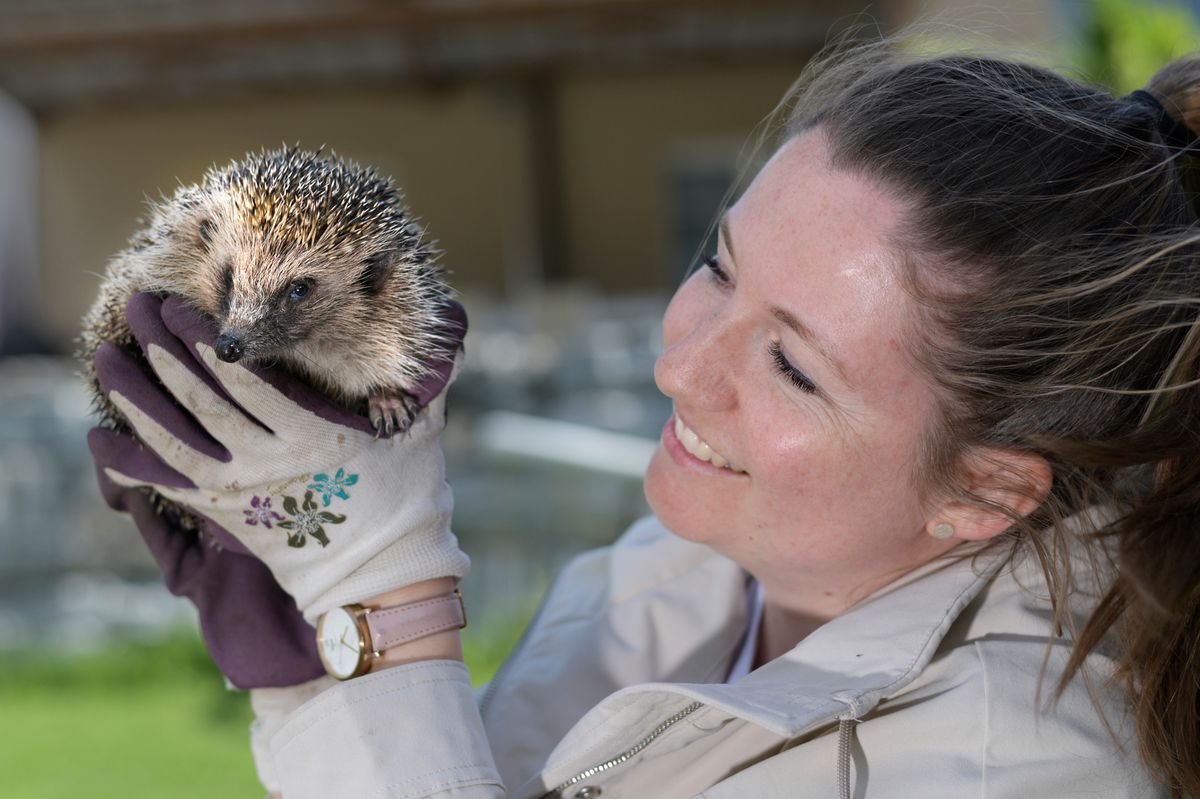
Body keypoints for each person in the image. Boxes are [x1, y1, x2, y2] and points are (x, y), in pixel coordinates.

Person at [87, 32, 1200, 799]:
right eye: (718, 264)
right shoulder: (690, 570)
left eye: (792, 367)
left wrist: (385, 608)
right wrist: (326, 689)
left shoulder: (1009, 772)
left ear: (988, 486)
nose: (683, 369)